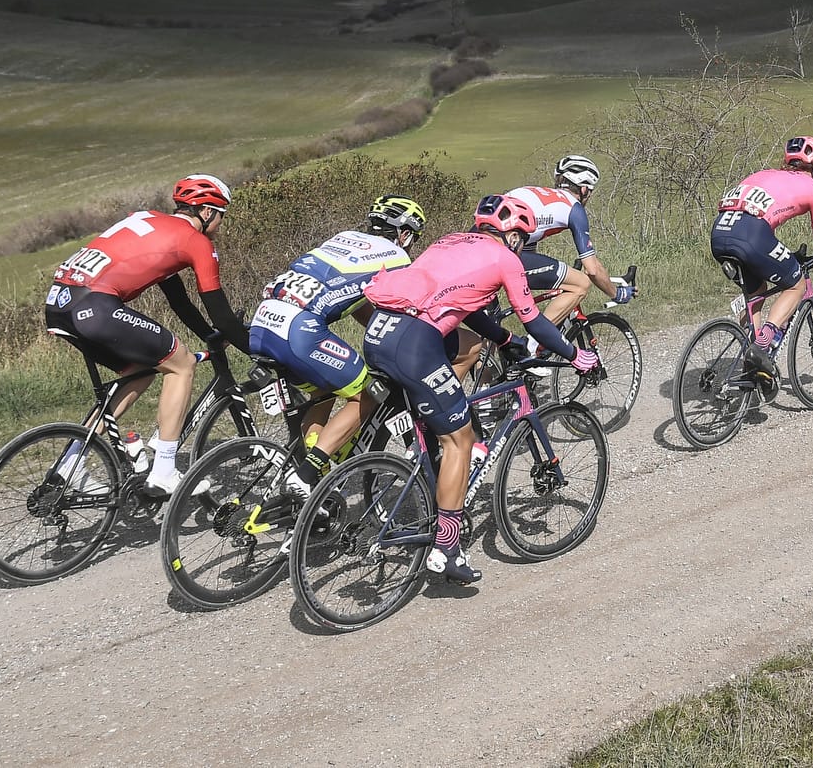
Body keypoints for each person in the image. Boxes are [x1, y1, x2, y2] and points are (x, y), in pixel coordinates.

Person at [362, 194, 599, 584]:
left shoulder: (449, 241)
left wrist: (505, 340)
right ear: (513, 235)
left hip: (379, 332)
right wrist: (576, 355)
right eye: (522, 239)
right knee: (460, 440)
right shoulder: (506, 258)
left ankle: (431, 481)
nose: (521, 246)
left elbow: (468, 307)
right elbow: (535, 321)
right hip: (415, 343)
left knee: (442, 414)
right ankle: (447, 550)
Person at [43, 175, 246, 497]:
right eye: (221, 214)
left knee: (140, 371)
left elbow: (178, 300)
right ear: (207, 212)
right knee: (181, 365)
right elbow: (220, 311)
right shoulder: (195, 242)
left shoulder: (150, 222)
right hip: (95, 307)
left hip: (59, 305)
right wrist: (253, 346)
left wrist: (210, 335)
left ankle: (70, 464)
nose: (221, 223)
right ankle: (164, 471)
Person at [245, 195, 426, 491]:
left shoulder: (345, 237)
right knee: (370, 392)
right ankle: (306, 475)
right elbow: (403, 310)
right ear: (405, 234)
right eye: (414, 237)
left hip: (263, 322)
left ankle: (317, 478)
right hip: (299, 331)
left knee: (324, 393)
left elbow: (360, 303)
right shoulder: (397, 257)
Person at [712, 137, 813, 391]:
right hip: (751, 236)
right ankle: (760, 349)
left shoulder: (764, 174)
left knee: (756, 293)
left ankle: (752, 362)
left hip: (719, 233)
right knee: (796, 285)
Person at [502, 155, 633, 324]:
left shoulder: (529, 192)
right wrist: (617, 293)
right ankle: (538, 338)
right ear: (584, 189)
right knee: (581, 284)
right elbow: (592, 270)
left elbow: (524, 252)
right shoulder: (574, 208)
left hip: (476, 245)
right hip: (502, 254)